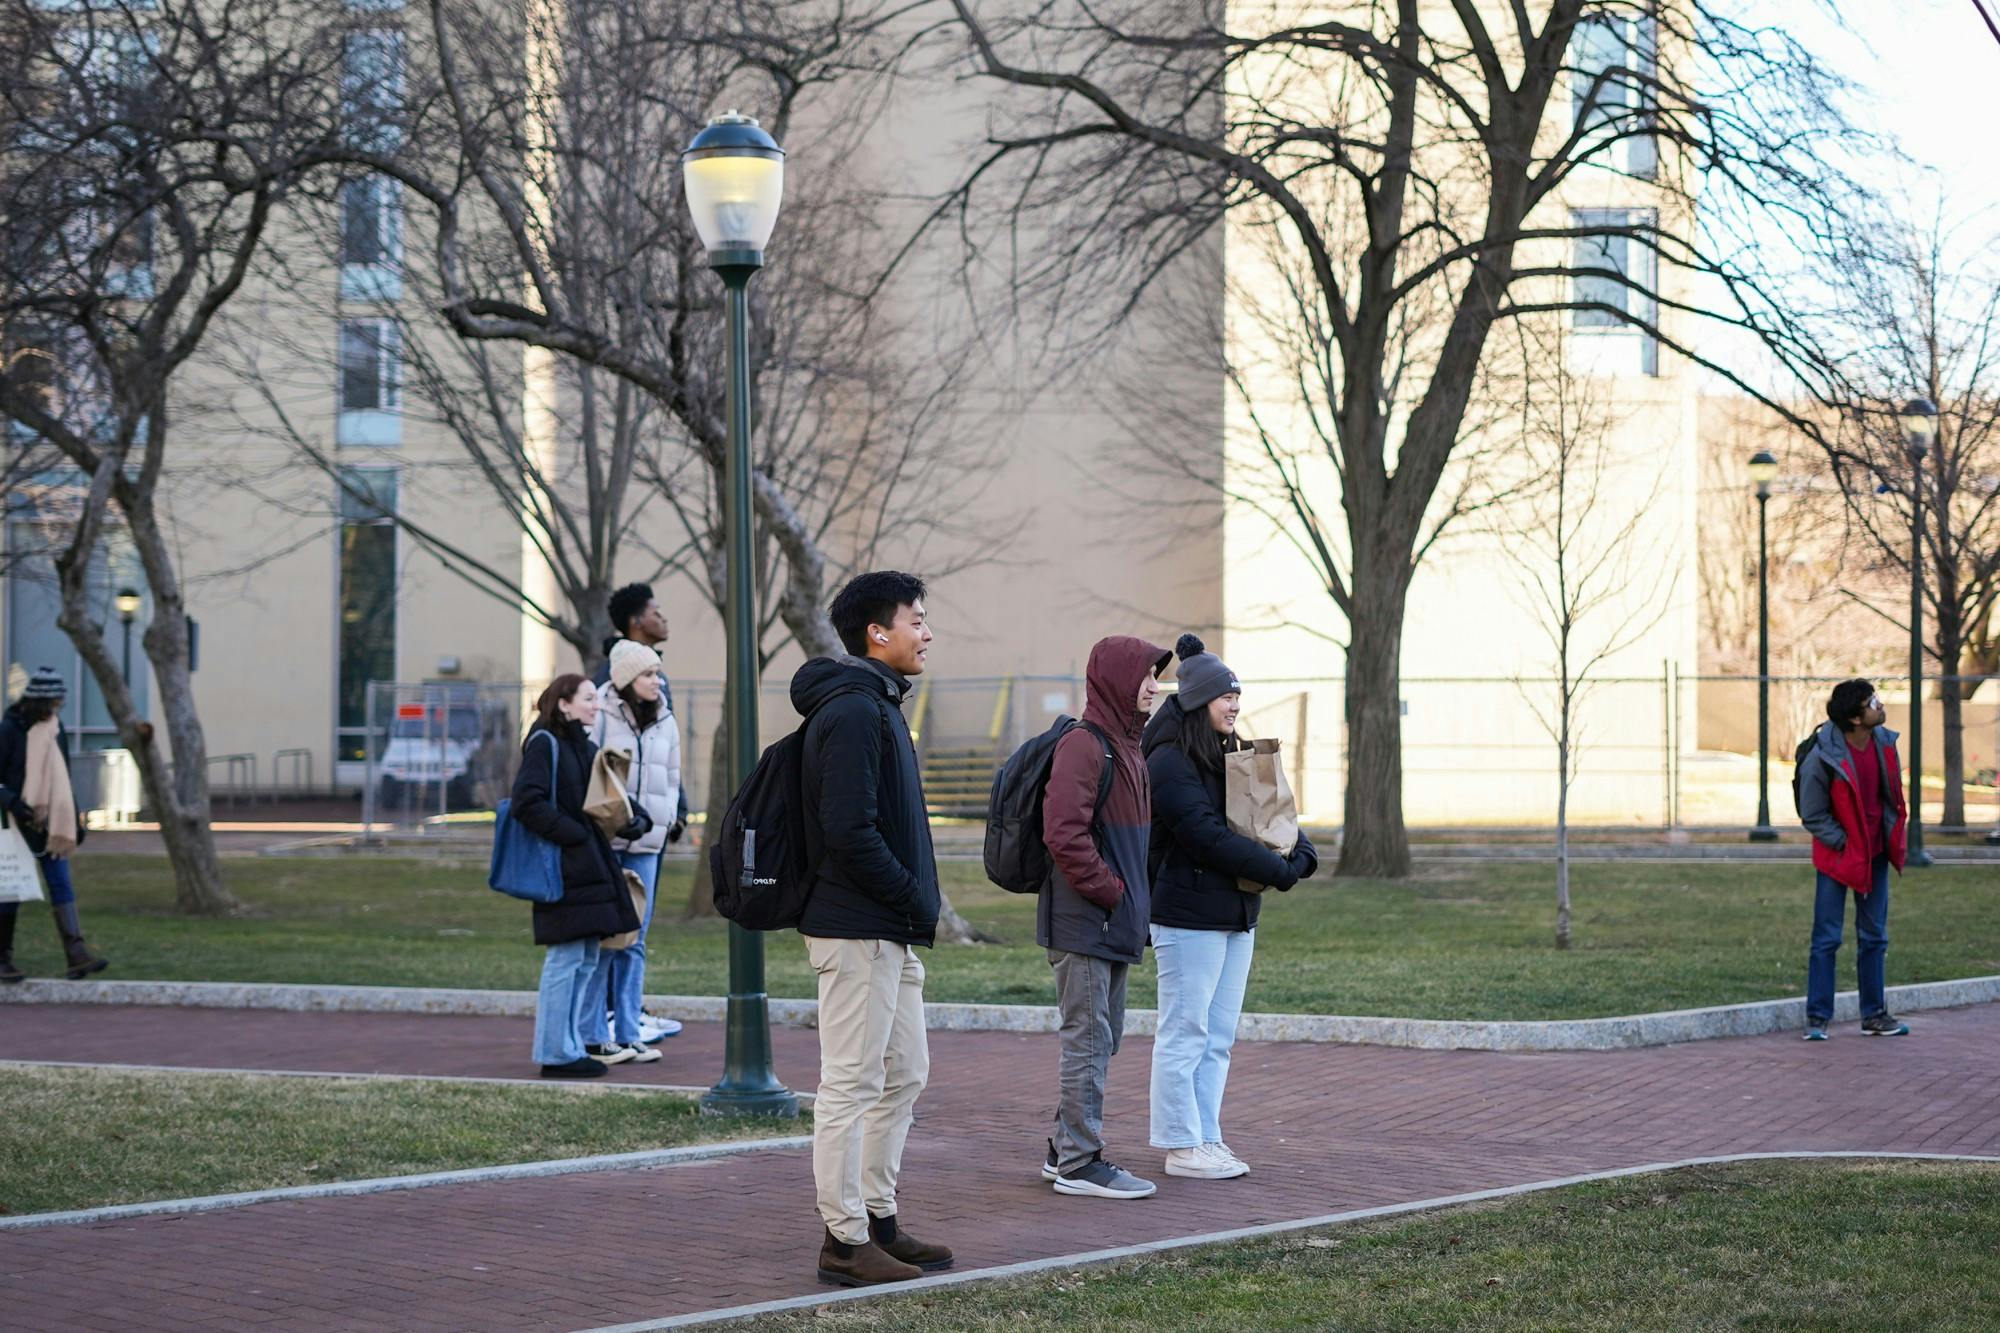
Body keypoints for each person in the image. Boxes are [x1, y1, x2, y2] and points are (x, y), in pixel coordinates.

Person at [794, 570, 951, 1287]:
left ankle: (878, 1217)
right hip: (858, 926)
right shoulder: (856, 710)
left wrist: (912, 906)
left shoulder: (881, 705)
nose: (927, 631)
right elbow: (848, 830)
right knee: (851, 1083)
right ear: (875, 633)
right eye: (915, 619)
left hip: (890, 927)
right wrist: (910, 892)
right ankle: (844, 1240)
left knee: (905, 1071)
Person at [1142, 634, 1317, 1178]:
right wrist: (1279, 873)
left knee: (1218, 1038)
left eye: (1237, 695)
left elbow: (1272, 816)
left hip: (1237, 915)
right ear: (1198, 701)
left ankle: (1206, 1136)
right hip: (1186, 916)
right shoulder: (1169, 759)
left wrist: (1301, 853)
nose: (1234, 705)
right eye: (1225, 696)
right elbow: (1206, 835)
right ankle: (1179, 1145)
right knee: (1185, 1031)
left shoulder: (1232, 754)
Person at [1036, 635, 1171, 1200]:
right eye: (1145, 676)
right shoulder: (1085, 746)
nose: (1154, 686)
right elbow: (1063, 834)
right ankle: (1080, 1163)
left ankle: (1063, 1146)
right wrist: (1112, 892)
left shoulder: (1129, 747)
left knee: (1104, 1038)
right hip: (1087, 922)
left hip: (1114, 922)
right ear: (1118, 678)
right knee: (1089, 1040)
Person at [510, 673, 643, 1078]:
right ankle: (554, 1052)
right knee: (566, 959)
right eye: (588, 698)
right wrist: (572, 835)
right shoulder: (544, 743)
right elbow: (526, 802)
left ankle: (567, 1047)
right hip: (564, 869)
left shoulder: (582, 746)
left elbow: (601, 799)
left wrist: (631, 818)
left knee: (584, 958)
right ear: (564, 704)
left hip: (587, 867)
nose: (596, 704)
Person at [582, 641, 681, 1065]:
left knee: (635, 940)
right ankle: (593, 1032)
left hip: (647, 844)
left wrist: (668, 818)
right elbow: (593, 775)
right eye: (647, 675)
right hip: (608, 843)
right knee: (606, 937)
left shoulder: (666, 719)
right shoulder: (601, 715)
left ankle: (628, 1029)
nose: (656, 682)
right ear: (624, 679)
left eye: (657, 674)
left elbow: (673, 776)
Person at [1797, 679, 1911, 1041]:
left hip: (1875, 854)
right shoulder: (1822, 756)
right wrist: (1845, 843)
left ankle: (1874, 1015)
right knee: (1827, 938)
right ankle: (1817, 1019)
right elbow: (1813, 815)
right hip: (1839, 857)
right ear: (1855, 718)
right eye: (1872, 702)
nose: (1880, 705)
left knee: (1875, 936)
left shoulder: (1883, 744)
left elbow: (1889, 796)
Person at [0, 668, 105, 984]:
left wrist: (73, 819)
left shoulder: (54, 730)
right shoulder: (9, 730)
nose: (55, 710)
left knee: (61, 884)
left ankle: (76, 954)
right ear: (37, 701)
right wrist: (14, 803)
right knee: (12, 890)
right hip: (14, 823)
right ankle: (2, 958)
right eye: (52, 703)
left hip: (50, 825)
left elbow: (62, 782)